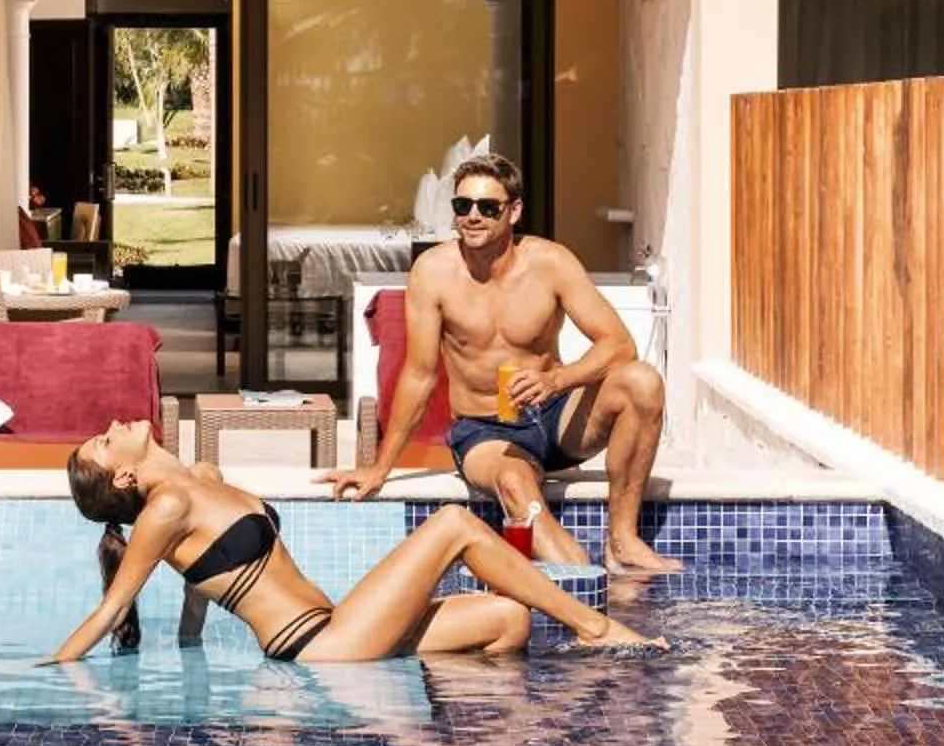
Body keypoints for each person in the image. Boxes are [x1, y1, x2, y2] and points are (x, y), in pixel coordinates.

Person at [49, 419, 664, 664]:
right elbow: (112, 609)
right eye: (103, 442)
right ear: (123, 478)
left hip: (338, 624)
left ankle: (459, 732)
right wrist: (55, 669)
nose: (112, 426)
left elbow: (198, 586)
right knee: (453, 523)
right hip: (313, 645)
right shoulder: (164, 509)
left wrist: (192, 649)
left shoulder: (201, 479)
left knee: (509, 620)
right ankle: (596, 628)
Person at [321, 153, 679, 573]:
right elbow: (419, 376)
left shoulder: (550, 263)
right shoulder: (433, 272)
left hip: (556, 416)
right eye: (462, 206)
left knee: (642, 381)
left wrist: (557, 380)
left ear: (514, 211)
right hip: (486, 430)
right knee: (513, 482)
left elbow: (618, 344)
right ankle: (579, 578)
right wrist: (380, 467)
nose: (472, 217)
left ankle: (624, 540)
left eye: (488, 207)